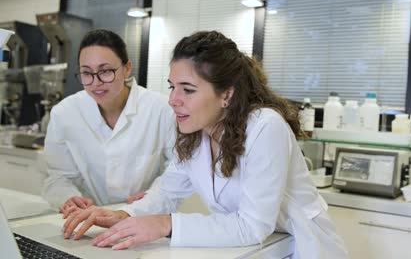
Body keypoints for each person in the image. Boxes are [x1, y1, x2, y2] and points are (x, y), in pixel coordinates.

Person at [61, 31, 348, 259]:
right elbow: (168, 189)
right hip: (251, 248)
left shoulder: (265, 126)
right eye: (172, 86)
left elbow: (252, 226)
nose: (173, 99)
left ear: (227, 94)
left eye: (188, 89)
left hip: (301, 246)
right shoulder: (196, 131)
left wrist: (165, 224)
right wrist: (122, 214)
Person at [42, 29, 176, 217]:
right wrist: (69, 198)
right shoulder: (64, 113)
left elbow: (178, 170)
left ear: (127, 68)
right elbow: (58, 176)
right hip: (87, 219)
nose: (96, 82)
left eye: (105, 71)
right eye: (86, 73)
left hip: (143, 217)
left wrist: (153, 197)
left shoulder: (162, 109)